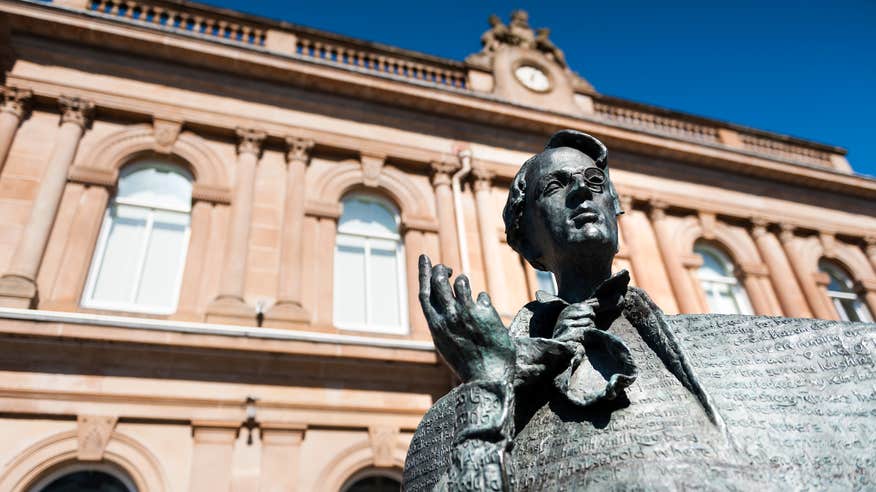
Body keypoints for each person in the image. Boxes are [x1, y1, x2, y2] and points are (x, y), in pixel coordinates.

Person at [406, 130, 771, 490]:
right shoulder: (467, 401)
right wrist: (487, 383)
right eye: (554, 186)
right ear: (528, 242)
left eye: (595, 182)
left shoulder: (745, 358)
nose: (582, 191)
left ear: (614, 209)